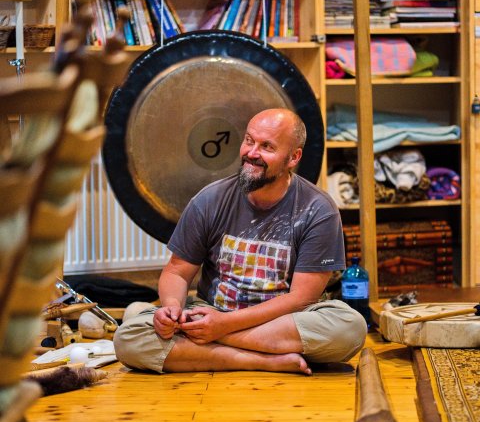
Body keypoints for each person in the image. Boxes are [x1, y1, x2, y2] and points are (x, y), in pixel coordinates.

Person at [114, 108, 367, 375]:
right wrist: (173, 310)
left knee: (349, 327)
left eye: (267, 146)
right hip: (214, 313)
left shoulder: (318, 209)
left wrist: (224, 327)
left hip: (282, 322)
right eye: (249, 140)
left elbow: (301, 298)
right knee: (128, 338)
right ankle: (263, 360)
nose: (252, 153)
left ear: (293, 157)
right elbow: (177, 271)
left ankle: (208, 349)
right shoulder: (210, 199)